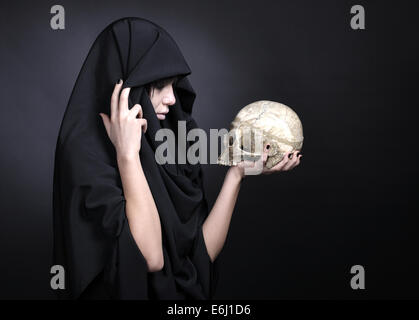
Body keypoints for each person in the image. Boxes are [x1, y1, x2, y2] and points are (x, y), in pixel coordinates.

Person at [52, 17, 301, 300]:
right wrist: (127, 156)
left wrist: (237, 174)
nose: (171, 99)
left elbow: (197, 256)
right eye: (159, 84)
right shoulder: (84, 153)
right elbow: (150, 258)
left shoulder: (172, 140)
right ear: (125, 84)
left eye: (174, 84)